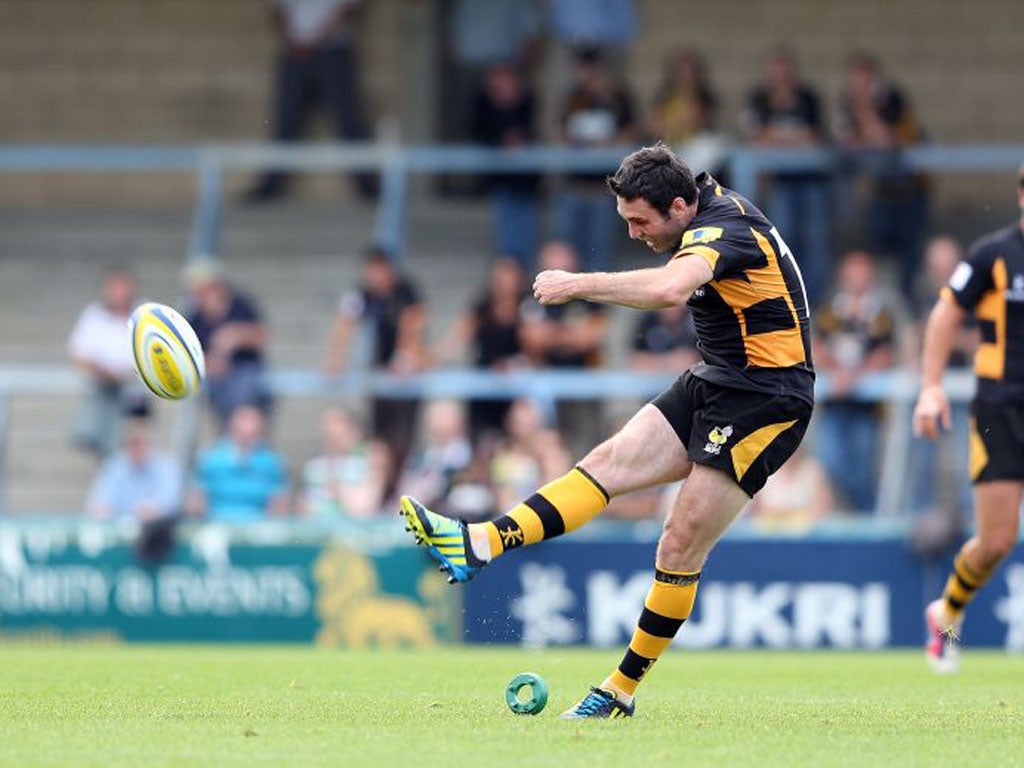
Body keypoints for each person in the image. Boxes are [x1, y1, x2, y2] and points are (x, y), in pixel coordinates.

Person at [399, 143, 814, 717]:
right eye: (626, 221)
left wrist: (576, 284)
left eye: (641, 221)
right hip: (717, 379)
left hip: (768, 399)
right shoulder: (700, 211)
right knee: (605, 464)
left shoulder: (725, 230)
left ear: (677, 206)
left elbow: (670, 289)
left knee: (678, 541)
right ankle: (478, 544)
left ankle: (619, 691)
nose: (635, 233)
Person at [914, 164, 1024, 674]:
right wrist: (932, 387)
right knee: (997, 541)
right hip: (1001, 410)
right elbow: (945, 314)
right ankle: (948, 611)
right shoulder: (992, 254)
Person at [246, 0, 377, 201]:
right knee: (286, 121)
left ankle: (368, 187)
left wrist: (316, 39)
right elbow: (278, 11)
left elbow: (349, 9)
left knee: (347, 121)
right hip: (294, 52)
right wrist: (292, 39)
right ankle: (270, 187)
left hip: (332, 52)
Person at [324, 247, 427, 494]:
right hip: (380, 374)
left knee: (403, 439)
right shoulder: (362, 294)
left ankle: (401, 489)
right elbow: (344, 323)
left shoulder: (406, 291)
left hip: (407, 374)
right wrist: (335, 360)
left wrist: (404, 356)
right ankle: (382, 490)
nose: (375, 276)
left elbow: (413, 324)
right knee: (378, 439)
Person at [812, 250, 898, 513]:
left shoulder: (880, 312)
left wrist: (855, 375)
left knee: (863, 466)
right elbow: (816, 345)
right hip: (834, 402)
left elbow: (886, 353)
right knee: (830, 461)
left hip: (866, 407)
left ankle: (866, 515)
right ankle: (853, 513)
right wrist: (838, 371)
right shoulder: (831, 309)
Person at [743, 47, 830, 306]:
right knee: (782, 236)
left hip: (810, 180)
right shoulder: (759, 99)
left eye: (785, 71)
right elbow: (755, 138)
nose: (780, 77)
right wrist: (793, 137)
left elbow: (816, 137)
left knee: (815, 240)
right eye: (775, 71)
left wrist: (778, 137)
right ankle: (787, 296)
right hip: (778, 181)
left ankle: (813, 300)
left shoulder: (808, 97)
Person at [838, 52, 927, 302]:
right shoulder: (847, 103)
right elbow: (847, 143)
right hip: (878, 193)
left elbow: (888, 140)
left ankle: (907, 306)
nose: (859, 87)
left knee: (909, 258)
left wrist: (865, 110)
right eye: (855, 82)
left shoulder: (893, 99)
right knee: (874, 253)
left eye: (865, 81)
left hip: (909, 191)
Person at [905, 236, 976, 517]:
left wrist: (942, 334)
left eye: (947, 266)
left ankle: (973, 519)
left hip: (962, 387)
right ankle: (916, 515)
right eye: (936, 267)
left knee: (965, 460)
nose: (941, 273)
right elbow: (913, 337)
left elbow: (977, 342)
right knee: (920, 461)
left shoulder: (973, 294)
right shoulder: (922, 294)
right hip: (929, 389)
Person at [519, 240, 608, 456]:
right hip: (546, 380)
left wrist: (551, 333)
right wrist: (570, 333)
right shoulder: (533, 295)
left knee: (589, 446)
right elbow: (532, 339)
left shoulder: (588, 294)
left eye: (562, 257)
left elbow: (589, 338)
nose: (558, 264)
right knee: (551, 442)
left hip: (585, 380)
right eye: (552, 257)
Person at [556, 46, 638, 272]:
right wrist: (577, 141)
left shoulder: (619, 97)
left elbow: (632, 134)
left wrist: (608, 143)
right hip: (575, 187)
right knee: (567, 251)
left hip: (604, 190)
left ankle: (595, 304)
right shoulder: (574, 97)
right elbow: (561, 133)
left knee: (598, 253)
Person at [435, 257, 529, 443]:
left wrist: (516, 364)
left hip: (516, 387)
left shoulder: (527, 308)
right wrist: (433, 359)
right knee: (482, 440)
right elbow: (457, 337)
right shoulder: (482, 308)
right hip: (483, 387)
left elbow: (534, 349)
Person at [68, 266, 149, 457]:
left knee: (124, 400)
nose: (119, 293)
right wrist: (103, 371)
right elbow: (80, 354)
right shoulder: (94, 315)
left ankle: (101, 440)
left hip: (137, 389)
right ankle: (99, 441)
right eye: (114, 288)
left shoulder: (145, 312)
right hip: (103, 386)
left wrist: (126, 373)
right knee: (103, 396)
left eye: (123, 286)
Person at [471, 63, 542, 269]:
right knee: (505, 240)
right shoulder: (485, 103)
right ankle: (506, 276)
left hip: (526, 184)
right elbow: (480, 134)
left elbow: (533, 132)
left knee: (526, 236)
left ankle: (523, 277)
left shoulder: (527, 100)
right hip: (502, 183)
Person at [184, 261, 270, 427]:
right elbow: (190, 358)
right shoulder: (195, 318)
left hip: (246, 372)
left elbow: (262, 335)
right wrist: (210, 364)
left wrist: (237, 335)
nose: (200, 297)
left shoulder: (240, 306)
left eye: (204, 290)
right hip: (216, 381)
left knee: (244, 386)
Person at [188, 405, 289, 523]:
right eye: (244, 420)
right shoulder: (210, 459)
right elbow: (197, 502)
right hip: (216, 526)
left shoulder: (272, 463)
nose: (248, 427)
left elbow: (279, 505)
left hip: (258, 528)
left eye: (253, 421)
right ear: (232, 423)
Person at [85, 419, 181, 521]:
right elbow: (98, 500)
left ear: (151, 444)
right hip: (119, 527)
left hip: (157, 529)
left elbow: (170, 502)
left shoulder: (166, 466)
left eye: (142, 443)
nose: (138, 448)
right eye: (133, 443)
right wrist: (101, 508)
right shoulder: (115, 466)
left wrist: (152, 509)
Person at [302, 407, 389, 520]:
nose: (332, 438)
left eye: (338, 432)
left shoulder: (369, 461)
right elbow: (305, 506)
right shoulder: (315, 466)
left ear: (353, 431)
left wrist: (336, 489)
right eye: (328, 433)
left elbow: (364, 509)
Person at [650, 48, 717, 147]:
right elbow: (654, 125)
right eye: (682, 73)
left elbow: (699, 120)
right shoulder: (664, 95)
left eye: (690, 73)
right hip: (669, 142)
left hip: (696, 143)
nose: (686, 78)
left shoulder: (704, 95)